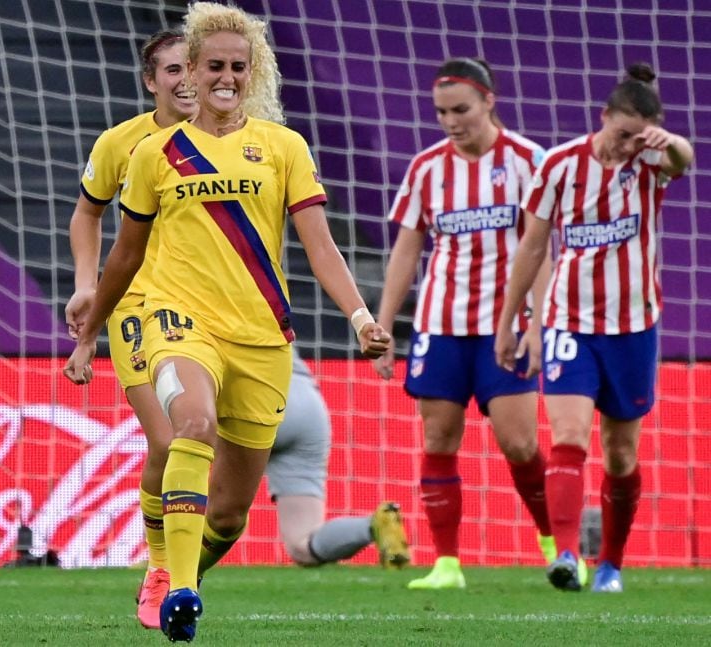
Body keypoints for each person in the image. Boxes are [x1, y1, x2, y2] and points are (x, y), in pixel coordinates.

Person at [64, 3, 390, 641]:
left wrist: (360, 316)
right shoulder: (153, 152)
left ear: (253, 71)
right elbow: (125, 253)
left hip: (261, 336)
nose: (226, 77)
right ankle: (176, 585)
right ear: (189, 68)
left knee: (232, 511)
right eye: (214, 65)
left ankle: (180, 567)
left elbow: (320, 245)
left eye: (238, 67)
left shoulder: (282, 146)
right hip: (174, 318)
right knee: (189, 426)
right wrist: (89, 332)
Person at [495, 63, 693, 593]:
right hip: (568, 320)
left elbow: (685, 159)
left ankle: (611, 563)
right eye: (621, 134)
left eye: (638, 137)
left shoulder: (652, 163)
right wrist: (511, 321)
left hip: (633, 327)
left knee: (621, 452)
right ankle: (565, 556)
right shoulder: (559, 165)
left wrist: (667, 140)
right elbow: (532, 246)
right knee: (568, 436)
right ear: (602, 117)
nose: (627, 146)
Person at [373, 57, 561, 590]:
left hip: (507, 324)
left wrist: (537, 324)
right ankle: (447, 565)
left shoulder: (529, 161)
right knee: (438, 439)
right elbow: (405, 254)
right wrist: (383, 329)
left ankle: (555, 545)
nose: (452, 121)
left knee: (519, 443)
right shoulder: (427, 168)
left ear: (489, 102)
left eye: (461, 109)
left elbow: (542, 250)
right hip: (442, 324)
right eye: (441, 112)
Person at [64, 28, 196, 630]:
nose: (187, 80)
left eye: (192, 67)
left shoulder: (239, 139)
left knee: (210, 464)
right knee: (168, 442)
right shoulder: (122, 143)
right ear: (151, 81)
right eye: (172, 70)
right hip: (141, 307)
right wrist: (88, 287)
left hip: (211, 310)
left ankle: (183, 560)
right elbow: (87, 211)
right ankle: (161, 567)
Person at [271, 349, 409, 570]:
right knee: (302, 545)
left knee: (215, 499)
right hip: (307, 405)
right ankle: (374, 525)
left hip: (256, 400)